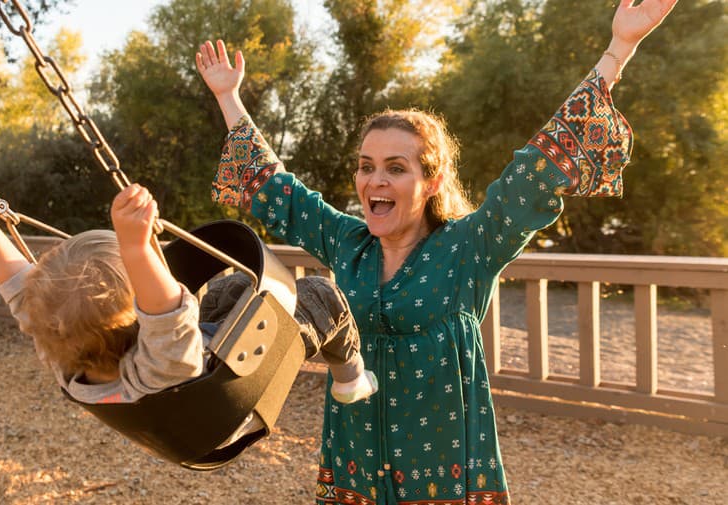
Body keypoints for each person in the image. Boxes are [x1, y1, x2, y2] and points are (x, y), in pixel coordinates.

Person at [196, 0, 677, 501]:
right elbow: (280, 193)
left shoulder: (469, 246)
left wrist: (619, 48)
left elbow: (534, 174)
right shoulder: (347, 242)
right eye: (366, 166)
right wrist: (229, 97)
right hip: (355, 468)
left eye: (396, 168)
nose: (375, 180)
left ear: (432, 180)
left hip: (442, 474)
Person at [0, 177, 379, 446]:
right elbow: (165, 315)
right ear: (137, 310)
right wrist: (136, 247)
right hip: (234, 397)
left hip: (195, 380)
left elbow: (18, 288)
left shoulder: (62, 346)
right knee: (321, 295)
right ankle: (351, 379)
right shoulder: (161, 365)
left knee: (231, 287)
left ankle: (338, 369)